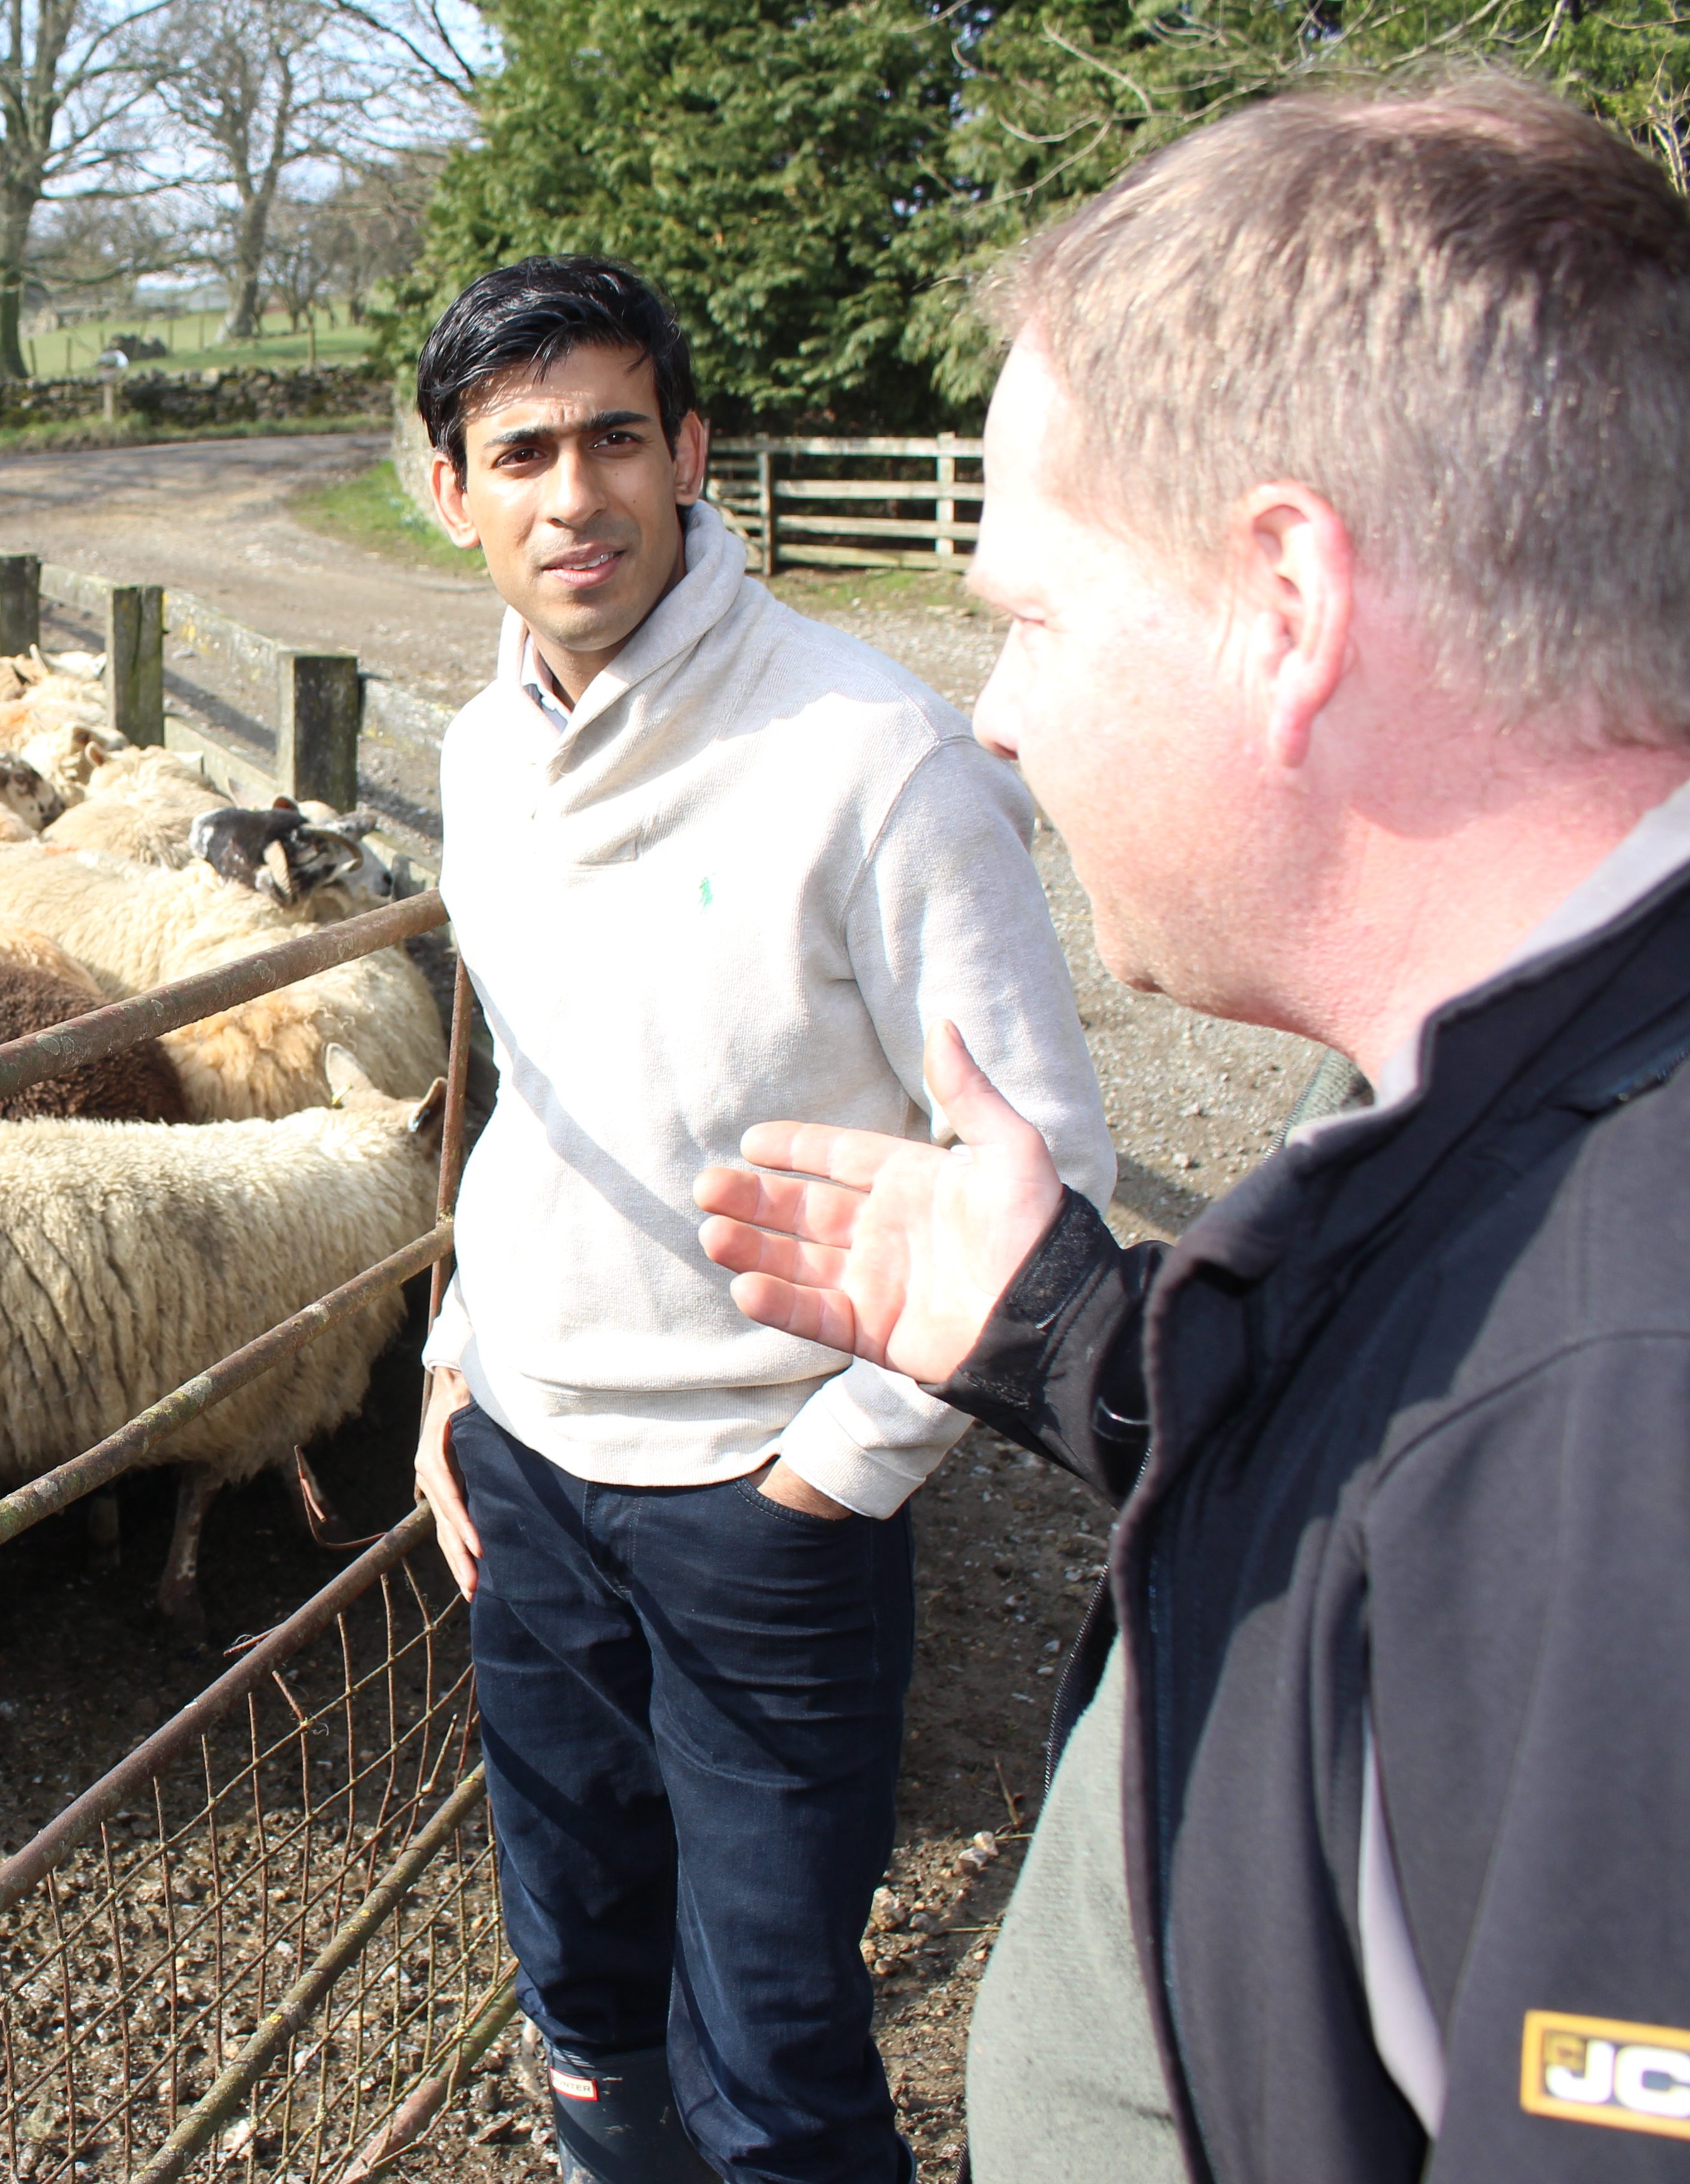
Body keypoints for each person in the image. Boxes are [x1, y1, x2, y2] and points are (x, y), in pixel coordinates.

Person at [689, 76, 1690, 2184]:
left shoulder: (1625, 1419)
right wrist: (1080, 1347)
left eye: (1034, 612)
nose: (1000, 713)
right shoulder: (1500, 1077)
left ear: (1286, 605)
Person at [406, 256, 1114, 2184]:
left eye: (618, 437)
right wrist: (457, 1351)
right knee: (582, 1982)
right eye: (522, 452)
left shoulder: (871, 758)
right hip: (528, 1482)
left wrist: (842, 1468)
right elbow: (536, 1098)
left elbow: (1048, 1159)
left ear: (695, 453)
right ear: (451, 491)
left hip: (760, 1498)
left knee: (776, 2039)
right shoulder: (480, 760)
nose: (577, 495)